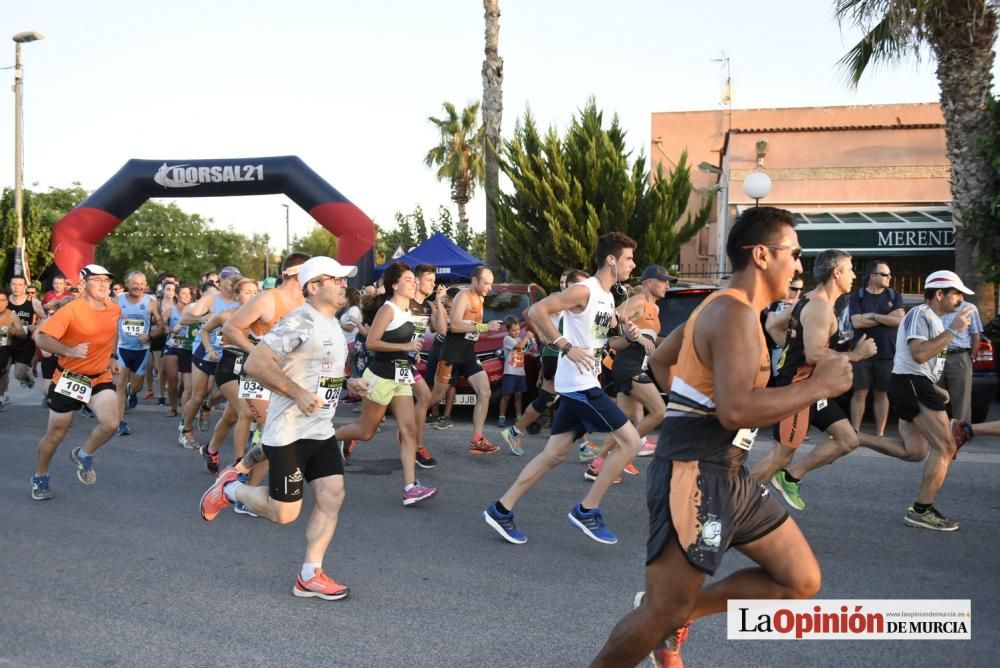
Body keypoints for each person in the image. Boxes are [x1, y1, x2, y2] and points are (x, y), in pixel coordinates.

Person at [590, 207, 852, 667]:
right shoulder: (731, 312)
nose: (797, 264)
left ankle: (674, 616)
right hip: (694, 472)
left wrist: (692, 403)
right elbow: (734, 410)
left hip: (730, 473)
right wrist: (817, 387)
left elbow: (663, 364)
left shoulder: (724, 308)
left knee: (799, 579)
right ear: (762, 256)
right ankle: (662, 617)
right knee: (658, 611)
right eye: (793, 253)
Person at [199, 256, 371, 600]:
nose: (343, 285)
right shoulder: (300, 320)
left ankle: (310, 574)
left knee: (332, 496)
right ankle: (229, 491)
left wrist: (348, 383)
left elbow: (317, 370)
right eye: (335, 279)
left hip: (320, 429)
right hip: (289, 430)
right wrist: (297, 393)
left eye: (343, 280)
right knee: (284, 513)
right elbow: (255, 363)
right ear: (313, 287)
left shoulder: (331, 323)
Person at [483, 232, 645, 545]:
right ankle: (588, 509)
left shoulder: (607, 297)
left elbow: (602, 343)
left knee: (553, 454)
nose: (632, 264)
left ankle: (501, 509)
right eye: (628, 258)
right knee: (631, 441)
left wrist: (629, 334)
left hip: (584, 382)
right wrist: (564, 346)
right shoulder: (583, 290)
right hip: (580, 386)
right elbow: (535, 312)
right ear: (611, 259)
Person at [333, 262, 438, 505]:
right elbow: (371, 342)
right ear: (394, 285)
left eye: (414, 280)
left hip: (401, 376)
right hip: (379, 376)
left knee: (409, 430)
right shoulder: (388, 309)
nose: (414, 283)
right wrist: (404, 346)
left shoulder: (409, 311)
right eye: (409, 280)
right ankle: (327, 440)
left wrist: (412, 352)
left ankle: (410, 487)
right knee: (365, 431)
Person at [889, 270, 974, 531]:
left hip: (915, 384)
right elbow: (919, 354)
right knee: (946, 447)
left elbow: (918, 361)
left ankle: (855, 438)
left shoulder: (933, 320)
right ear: (939, 294)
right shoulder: (921, 314)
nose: (960, 299)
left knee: (915, 451)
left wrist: (935, 389)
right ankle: (921, 510)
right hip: (911, 384)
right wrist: (953, 330)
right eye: (956, 293)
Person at [31, 265, 123, 500]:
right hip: (70, 378)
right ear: (83, 284)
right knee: (56, 434)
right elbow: (40, 337)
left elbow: (112, 333)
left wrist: (112, 356)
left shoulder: (113, 309)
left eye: (107, 280)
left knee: (111, 423)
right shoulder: (71, 310)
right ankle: (40, 476)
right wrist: (68, 350)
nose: (104, 284)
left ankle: (84, 454)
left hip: (100, 377)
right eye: (97, 280)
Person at [584, 264, 672, 479]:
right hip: (627, 366)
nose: (668, 286)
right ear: (649, 283)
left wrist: (677, 339)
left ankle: (597, 465)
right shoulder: (637, 302)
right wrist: (633, 336)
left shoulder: (656, 309)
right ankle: (623, 453)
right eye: (664, 281)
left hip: (636, 366)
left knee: (621, 421)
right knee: (659, 412)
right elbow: (610, 319)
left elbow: (651, 338)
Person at [500, 269, 589, 457]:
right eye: (563, 281)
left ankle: (515, 431)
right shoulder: (558, 298)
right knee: (579, 395)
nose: (565, 285)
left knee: (552, 398)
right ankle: (584, 447)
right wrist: (541, 335)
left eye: (568, 282)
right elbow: (528, 312)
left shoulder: (575, 300)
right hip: (555, 354)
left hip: (566, 354)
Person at [428, 266, 504, 454]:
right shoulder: (464, 296)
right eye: (486, 283)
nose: (489, 287)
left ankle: (477, 438)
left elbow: (470, 327)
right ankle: (409, 422)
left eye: (491, 283)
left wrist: (479, 329)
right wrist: (485, 327)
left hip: (468, 354)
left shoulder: (480, 299)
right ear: (475, 280)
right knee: (436, 396)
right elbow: (454, 325)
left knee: (485, 392)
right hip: (451, 354)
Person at [197, 277, 260, 473]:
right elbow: (205, 330)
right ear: (237, 295)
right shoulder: (226, 316)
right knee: (246, 412)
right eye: (247, 292)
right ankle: (240, 464)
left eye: (255, 292)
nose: (252, 296)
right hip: (228, 368)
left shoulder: (262, 320)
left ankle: (210, 449)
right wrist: (209, 350)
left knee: (230, 417)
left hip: (251, 371)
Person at [178, 267, 242, 448]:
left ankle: (208, 406)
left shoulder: (243, 300)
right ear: (220, 282)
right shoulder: (211, 299)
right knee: (198, 394)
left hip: (229, 354)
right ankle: (186, 430)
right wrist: (204, 318)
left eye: (237, 280)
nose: (234, 283)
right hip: (205, 351)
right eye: (231, 280)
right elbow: (184, 319)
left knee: (226, 392)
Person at [847, 260, 905, 435]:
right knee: (860, 392)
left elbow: (899, 320)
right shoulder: (857, 296)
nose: (889, 277)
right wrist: (886, 317)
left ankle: (879, 433)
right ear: (872, 276)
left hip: (887, 352)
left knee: (882, 393)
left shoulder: (894, 296)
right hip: (862, 353)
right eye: (885, 274)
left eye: (889, 274)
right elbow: (856, 322)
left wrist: (872, 315)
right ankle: (854, 431)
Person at [113, 271, 163, 436]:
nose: (138, 287)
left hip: (141, 350)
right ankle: (120, 422)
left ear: (146, 284)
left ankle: (132, 391)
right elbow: (108, 323)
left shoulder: (151, 302)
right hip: (122, 348)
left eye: (142, 284)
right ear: (127, 284)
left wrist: (149, 336)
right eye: (135, 283)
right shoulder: (117, 300)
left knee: (137, 386)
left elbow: (161, 327)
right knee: (120, 385)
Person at [937, 299, 983, 424]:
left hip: (959, 354)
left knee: (961, 400)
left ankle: (960, 435)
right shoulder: (934, 306)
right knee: (934, 396)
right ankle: (936, 432)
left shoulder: (969, 308)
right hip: (936, 354)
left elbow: (975, 335)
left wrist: (970, 358)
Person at [6, 275, 46, 389]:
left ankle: (26, 378)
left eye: (19, 285)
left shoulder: (33, 302)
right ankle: (2, 396)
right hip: (6, 340)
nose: (16, 287)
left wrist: (37, 328)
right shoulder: (5, 301)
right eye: (14, 284)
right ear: (10, 285)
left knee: (19, 374)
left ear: (24, 286)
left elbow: (44, 318)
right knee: (3, 370)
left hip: (25, 343)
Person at [162, 284, 196, 417]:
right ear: (177, 295)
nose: (187, 296)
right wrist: (166, 328)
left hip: (188, 347)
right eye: (183, 293)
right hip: (172, 346)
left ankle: (183, 401)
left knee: (185, 383)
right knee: (173, 379)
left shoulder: (195, 310)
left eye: (189, 293)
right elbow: (161, 324)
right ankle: (173, 407)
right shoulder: (171, 310)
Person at [497, 316, 536, 430]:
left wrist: (529, 354)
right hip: (510, 372)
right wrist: (527, 336)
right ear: (508, 330)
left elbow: (521, 352)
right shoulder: (507, 339)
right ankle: (502, 417)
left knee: (518, 396)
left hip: (520, 372)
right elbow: (518, 348)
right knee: (506, 396)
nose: (517, 332)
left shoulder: (519, 339)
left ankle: (518, 416)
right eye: (513, 330)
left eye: (518, 329)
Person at [761, 278, 804, 377]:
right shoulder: (777, 304)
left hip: (798, 348)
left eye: (801, 289)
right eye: (794, 289)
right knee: (780, 377)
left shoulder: (802, 303)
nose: (798, 292)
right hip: (780, 347)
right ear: (787, 287)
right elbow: (770, 325)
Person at [0, 291, 27, 407]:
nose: (0, 303)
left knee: (2, 373)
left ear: (7, 302)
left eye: (2, 300)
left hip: (4, 348)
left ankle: (1, 396)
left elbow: (23, 334)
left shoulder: (12, 315)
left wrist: (14, 331)